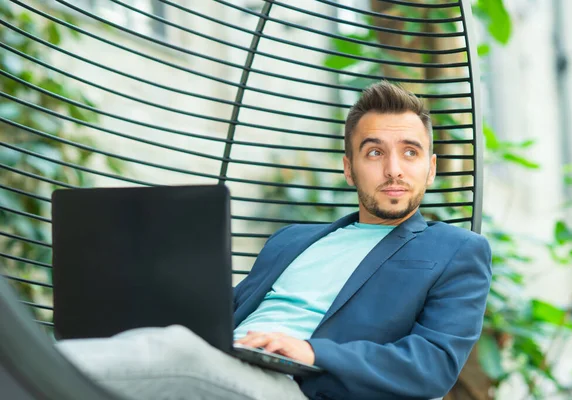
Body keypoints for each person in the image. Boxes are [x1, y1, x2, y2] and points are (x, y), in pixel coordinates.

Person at [56, 81, 492, 400]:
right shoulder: (291, 241)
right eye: (375, 152)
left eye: (410, 152)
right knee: (162, 345)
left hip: (299, 387)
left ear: (431, 169)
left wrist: (310, 352)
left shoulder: (456, 250)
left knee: (174, 353)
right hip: (228, 363)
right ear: (349, 167)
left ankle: (25, 366)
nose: (394, 169)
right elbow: (222, 312)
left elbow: (432, 365)